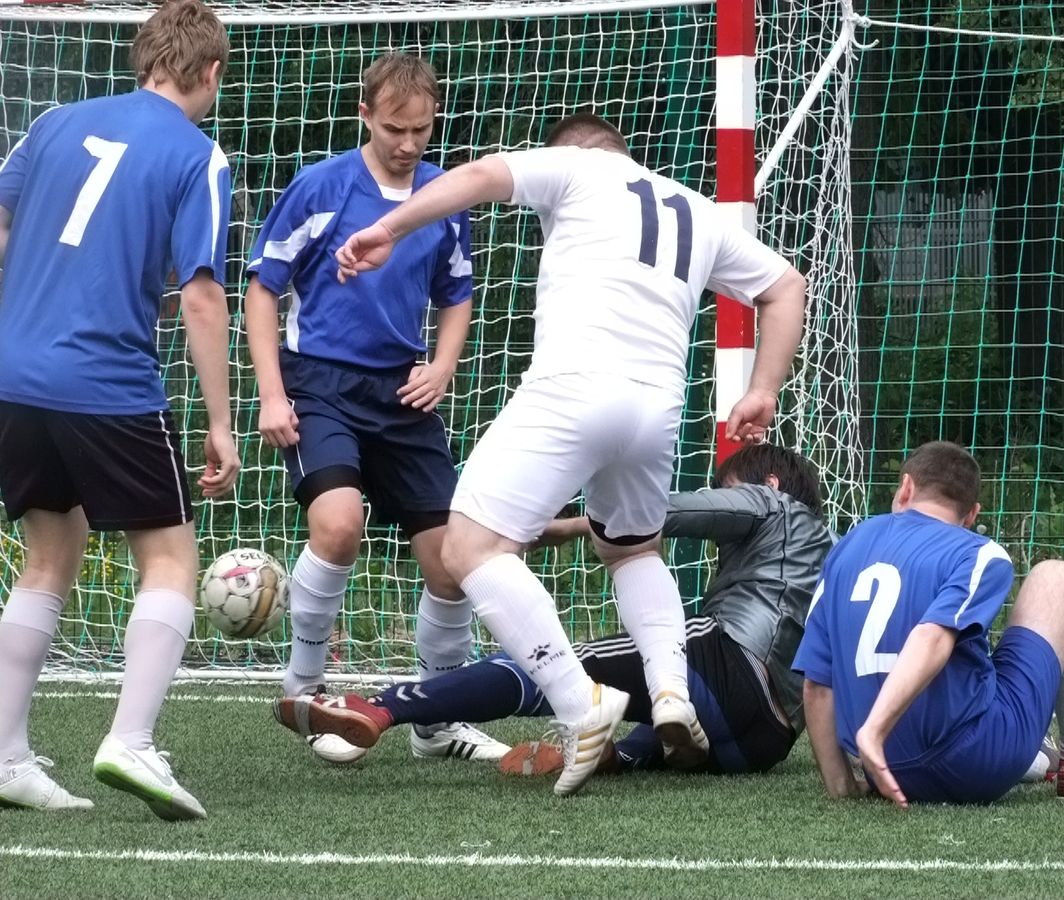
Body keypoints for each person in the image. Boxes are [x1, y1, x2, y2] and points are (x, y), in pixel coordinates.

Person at [335, 113, 807, 795]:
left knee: (469, 547)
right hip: (657, 406)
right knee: (634, 550)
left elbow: (475, 178)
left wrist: (389, 227)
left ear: (575, 153)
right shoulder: (695, 209)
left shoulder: (577, 166)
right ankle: (670, 690)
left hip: (577, 386)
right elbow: (785, 284)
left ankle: (575, 701)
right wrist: (763, 387)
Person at [0, 0, 238, 819]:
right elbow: (203, 297)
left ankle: (5, 755)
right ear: (211, 73)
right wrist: (221, 422)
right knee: (171, 558)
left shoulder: (55, 121)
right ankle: (131, 741)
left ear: (143, 59)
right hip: (106, 385)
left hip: (15, 376)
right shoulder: (198, 155)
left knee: (47, 553)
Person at [245, 53, 508, 766]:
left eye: (421, 129)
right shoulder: (320, 188)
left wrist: (444, 365)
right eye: (394, 127)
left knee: (453, 562)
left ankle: (435, 719)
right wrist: (272, 392)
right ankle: (306, 686)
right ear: (365, 115)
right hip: (321, 383)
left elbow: (457, 294)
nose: (408, 142)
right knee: (337, 524)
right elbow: (262, 289)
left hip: (403, 392)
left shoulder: (445, 197)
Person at [273, 443, 832, 776]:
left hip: (730, 662)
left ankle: (379, 708)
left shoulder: (773, 503)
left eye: (725, 487)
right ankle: (623, 758)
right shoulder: (827, 558)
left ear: (771, 483)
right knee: (662, 704)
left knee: (559, 664)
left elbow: (660, 511)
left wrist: (555, 528)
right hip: (766, 742)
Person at [794, 441, 1064, 807]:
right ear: (972, 513)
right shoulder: (977, 552)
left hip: (886, 769)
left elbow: (816, 685)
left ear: (906, 487)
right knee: (1058, 577)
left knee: (974, 665)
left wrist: (840, 783)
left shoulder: (847, 547)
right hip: (972, 762)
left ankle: (1036, 755)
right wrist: (874, 732)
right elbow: (931, 637)